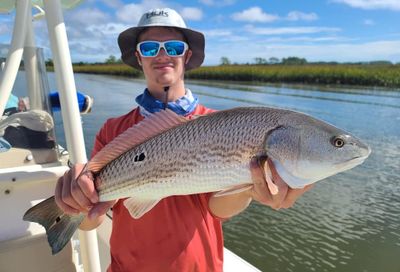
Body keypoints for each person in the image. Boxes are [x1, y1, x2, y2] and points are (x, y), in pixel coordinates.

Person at [55, 8, 312, 272]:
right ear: (138, 56)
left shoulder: (224, 126)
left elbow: (217, 208)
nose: (163, 55)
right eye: (150, 47)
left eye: (174, 47)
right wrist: (75, 204)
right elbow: (92, 220)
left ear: (186, 55)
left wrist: (249, 188)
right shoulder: (113, 129)